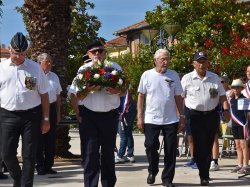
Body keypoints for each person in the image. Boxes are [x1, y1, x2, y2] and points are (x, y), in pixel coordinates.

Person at [70, 40, 125, 187]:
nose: (97, 54)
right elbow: (76, 95)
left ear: (105, 53)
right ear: (88, 54)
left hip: (109, 115)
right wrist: (87, 90)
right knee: (90, 154)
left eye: (100, 51)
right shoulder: (83, 70)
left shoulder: (114, 68)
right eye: (93, 52)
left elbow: (124, 92)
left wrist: (116, 90)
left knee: (108, 153)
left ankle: (108, 184)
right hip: (89, 116)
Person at [0, 32, 50, 187]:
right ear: (9, 49)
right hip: (7, 115)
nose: (19, 57)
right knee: (6, 154)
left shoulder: (35, 68)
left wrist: (46, 119)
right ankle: (17, 177)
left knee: (29, 156)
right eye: (16, 53)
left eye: (22, 54)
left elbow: (44, 94)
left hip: (31, 116)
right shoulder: (1, 68)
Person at [181, 51, 230, 186]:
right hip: (194, 115)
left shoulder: (214, 77)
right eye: (199, 61)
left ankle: (205, 173)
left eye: (204, 61)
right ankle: (203, 172)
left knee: (208, 144)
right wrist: (181, 115)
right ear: (194, 64)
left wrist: (226, 110)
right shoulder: (187, 78)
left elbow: (222, 96)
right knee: (198, 144)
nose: (202, 64)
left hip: (211, 115)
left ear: (208, 63)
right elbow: (180, 97)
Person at [137, 49, 184, 187]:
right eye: (163, 59)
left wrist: (181, 116)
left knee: (170, 150)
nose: (165, 62)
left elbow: (178, 97)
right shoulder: (147, 75)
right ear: (156, 60)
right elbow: (141, 96)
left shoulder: (174, 74)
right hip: (151, 118)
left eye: (167, 59)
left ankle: (167, 178)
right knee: (151, 146)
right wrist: (140, 116)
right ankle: (153, 170)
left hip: (171, 119)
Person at [36, 53, 62, 175]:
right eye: (47, 61)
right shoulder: (33, 75)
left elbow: (58, 96)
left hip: (51, 109)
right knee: (38, 140)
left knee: (51, 140)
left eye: (50, 61)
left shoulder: (54, 77)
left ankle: (48, 166)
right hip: (37, 109)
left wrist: (58, 113)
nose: (50, 64)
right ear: (39, 62)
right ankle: (39, 166)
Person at [229, 79, 249, 174]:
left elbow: (247, 114)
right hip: (234, 124)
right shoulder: (232, 100)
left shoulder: (244, 98)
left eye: (237, 87)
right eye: (233, 87)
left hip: (242, 124)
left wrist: (247, 125)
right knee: (237, 145)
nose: (235, 89)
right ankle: (239, 164)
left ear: (241, 88)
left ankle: (246, 165)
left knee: (244, 145)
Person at [115, 90, 137, 164]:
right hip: (129, 114)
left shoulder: (123, 93)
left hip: (125, 115)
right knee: (128, 134)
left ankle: (120, 155)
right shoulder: (129, 93)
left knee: (123, 135)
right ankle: (130, 155)